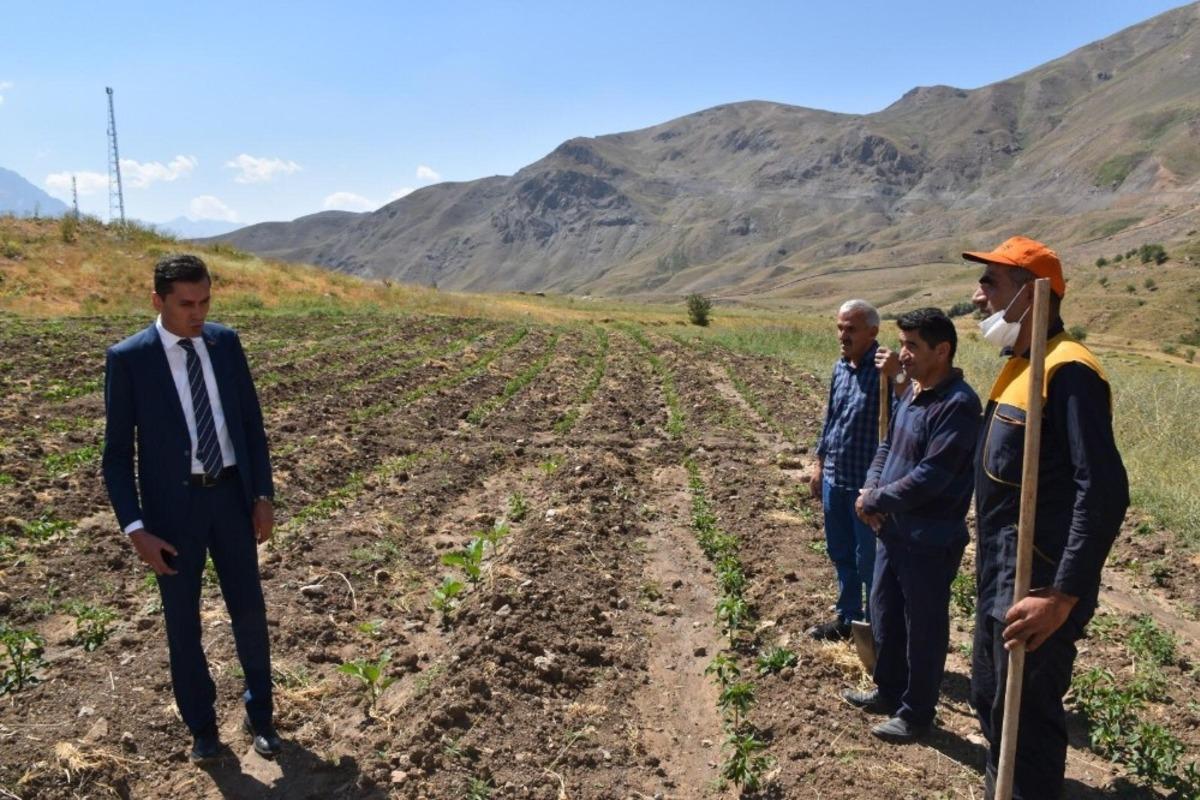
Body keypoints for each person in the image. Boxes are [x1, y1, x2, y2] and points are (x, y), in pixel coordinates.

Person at [963, 236, 1129, 798]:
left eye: (991, 283)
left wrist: (1061, 596)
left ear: (1032, 296)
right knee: (990, 701)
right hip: (999, 573)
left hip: (1036, 583)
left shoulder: (1070, 370)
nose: (978, 296)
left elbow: (1103, 492)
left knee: (1026, 726)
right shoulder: (1019, 364)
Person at [102, 254, 282, 763]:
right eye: (186, 304)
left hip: (230, 499)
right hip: (172, 514)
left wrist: (262, 495)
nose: (197, 314)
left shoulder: (225, 344)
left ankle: (261, 716)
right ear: (157, 300)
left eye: (205, 302)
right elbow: (116, 457)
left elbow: (250, 425)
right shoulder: (129, 359)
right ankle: (202, 728)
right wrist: (136, 528)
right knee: (184, 624)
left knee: (248, 611)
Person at [840, 308, 981, 743]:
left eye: (912, 346)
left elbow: (931, 478)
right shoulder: (915, 392)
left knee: (923, 627)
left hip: (929, 538)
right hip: (893, 530)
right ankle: (888, 690)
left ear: (942, 350)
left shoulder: (958, 405)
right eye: (901, 344)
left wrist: (875, 499)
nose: (902, 354)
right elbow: (887, 447)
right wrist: (869, 490)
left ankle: (917, 712)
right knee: (886, 616)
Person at [807, 299, 900, 640]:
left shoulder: (886, 370)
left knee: (870, 561)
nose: (843, 335)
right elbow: (830, 419)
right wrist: (819, 464)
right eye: (840, 327)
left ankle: (878, 627)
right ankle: (848, 616)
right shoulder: (840, 367)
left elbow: (909, 406)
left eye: (851, 329)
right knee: (840, 552)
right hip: (835, 478)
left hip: (868, 486)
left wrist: (898, 374)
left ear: (873, 332)